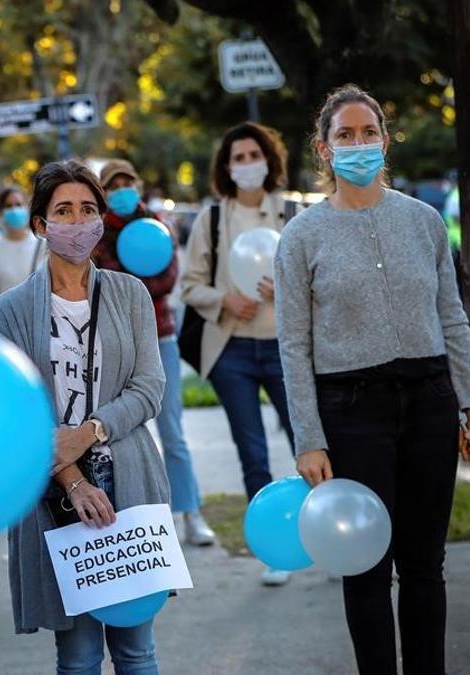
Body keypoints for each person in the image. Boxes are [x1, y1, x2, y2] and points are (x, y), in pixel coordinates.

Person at [274, 84, 470, 675]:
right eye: (346, 135)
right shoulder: (301, 237)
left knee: (425, 564)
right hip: (350, 410)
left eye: (369, 132)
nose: (359, 144)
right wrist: (309, 438)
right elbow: (293, 345)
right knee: (365, 566)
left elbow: (452, 315)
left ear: (385, 142)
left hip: (428, 401)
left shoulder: (423, 222)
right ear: (325, 149)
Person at [0, 160, 167, 675]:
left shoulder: (131, 294)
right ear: (41, 224)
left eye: (88, 209)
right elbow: (18, 412)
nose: (78, 221)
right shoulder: (12, 310)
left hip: (129, 479)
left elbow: (150, 387)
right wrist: (71, 478)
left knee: (137, 650)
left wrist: (89, 432)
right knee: (80, 654)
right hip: (55, 491)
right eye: (63, 210)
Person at [179, 122, 300, 585]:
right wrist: (224, 300)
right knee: (252, 451)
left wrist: (283, 290)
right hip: (231, 350)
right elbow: (191, 285)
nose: (248, 164)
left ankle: (327, 532)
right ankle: (273, 546)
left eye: (255, 155)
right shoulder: (211, 219)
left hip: (286, 348)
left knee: (307, 440)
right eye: (238, 158)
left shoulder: (292, 215)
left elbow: (314, 281)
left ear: (269, 160)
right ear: (226, 168)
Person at [93, 159, 216, 548]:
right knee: (117, 438)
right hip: (113, 344)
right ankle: (133, 523)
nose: (123, 190)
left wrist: (132, 281)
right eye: (114, 185)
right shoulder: (96, 234)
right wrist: (134, 282)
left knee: (173, 432)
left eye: (128, 182)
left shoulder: (157, 227)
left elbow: (166, 280)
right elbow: (103, 283)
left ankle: (191, 513)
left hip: (160, 338)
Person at [0, 186, 41, 310]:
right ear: (1, 212)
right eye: (8, 206)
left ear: (27, 208)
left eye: (18, 204)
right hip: (5, 324)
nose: (14, 209)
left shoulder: (43, 246)